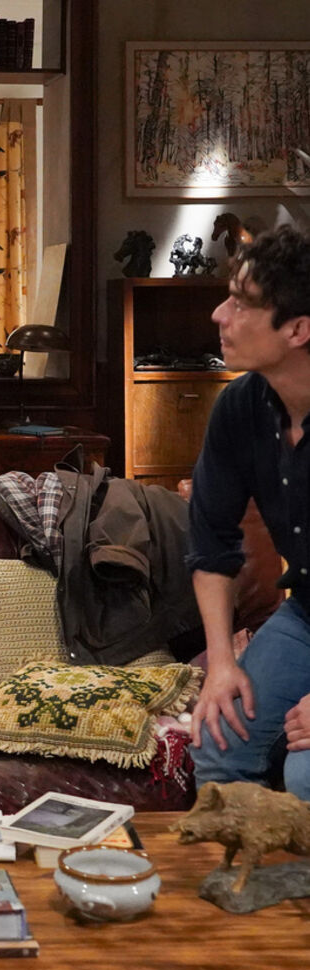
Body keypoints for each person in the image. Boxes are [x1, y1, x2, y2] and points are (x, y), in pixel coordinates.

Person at [187, 224, 310, 800]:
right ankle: (233, 858)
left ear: (297, 329)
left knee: (305, 775)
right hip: (305, 612)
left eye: (241, 303)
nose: (219, 314)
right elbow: (211, 544)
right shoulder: (240, 406)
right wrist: (220, 664)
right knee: (218, 736)